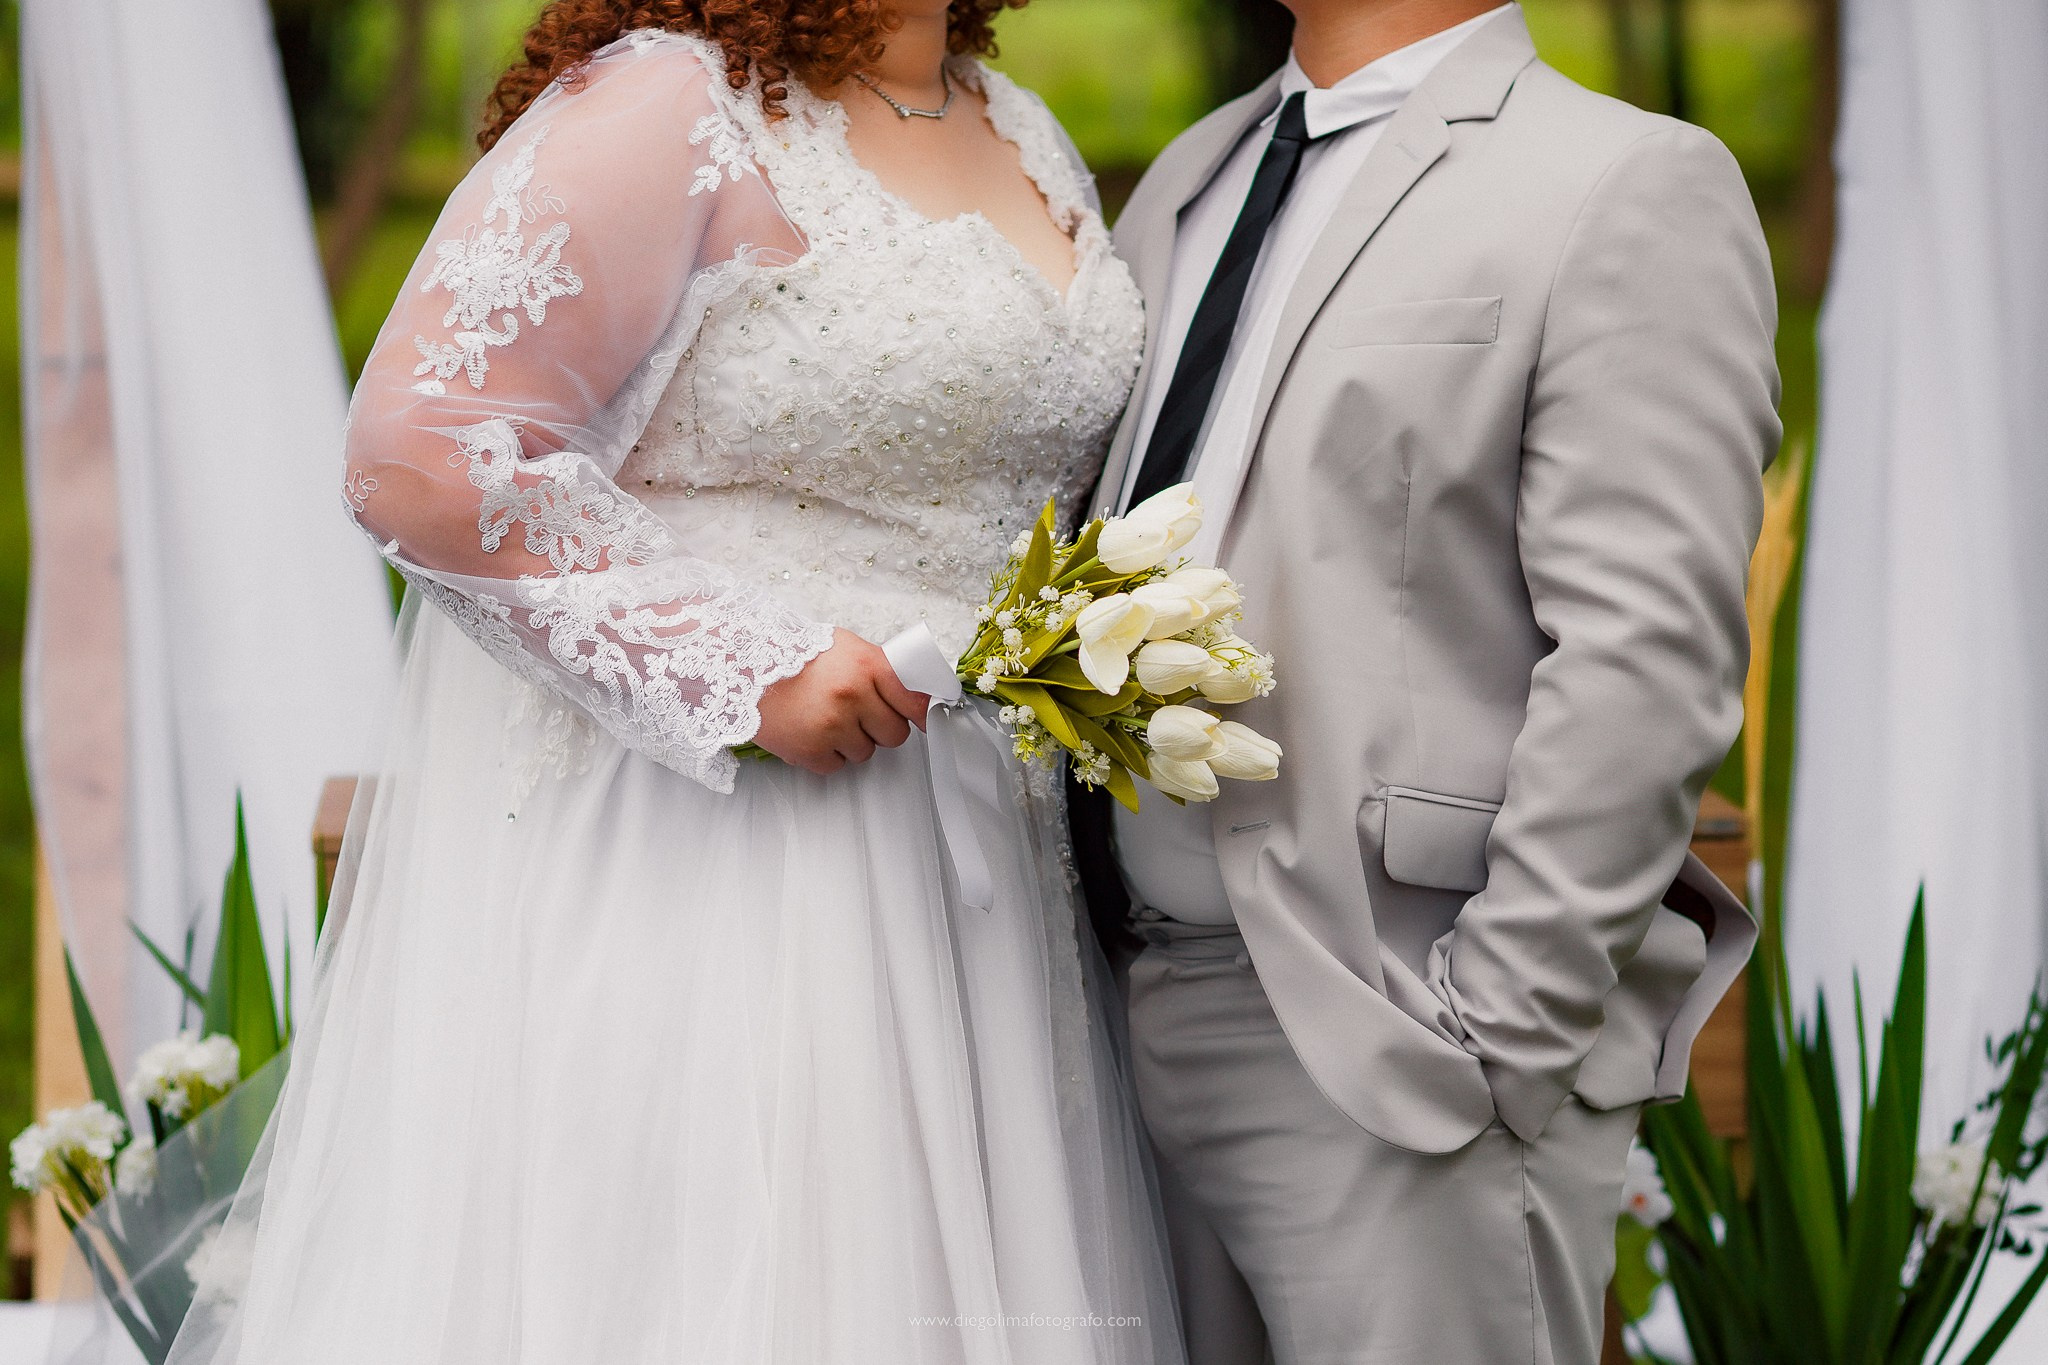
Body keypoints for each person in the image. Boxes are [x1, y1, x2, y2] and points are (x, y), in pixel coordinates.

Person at [164, 3, 1182, 1361]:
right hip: (739, 876)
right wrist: (745, 665)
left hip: (991, 894)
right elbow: (419, 447)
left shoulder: (1025, 129)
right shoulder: (674, 106)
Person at [1068, 2, 1780, 1362]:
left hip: (1399, 1041)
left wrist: (1500, 1033)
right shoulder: (1191, 177)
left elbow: (1649, 658)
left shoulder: (1622, 180)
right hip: (1123, 1022)